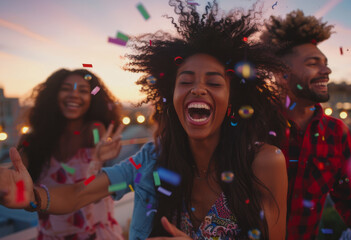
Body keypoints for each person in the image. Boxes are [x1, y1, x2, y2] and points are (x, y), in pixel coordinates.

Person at [0, 1, 288, 239]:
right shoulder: (149, 160)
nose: (198, 89)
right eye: (185, 81)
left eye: (214, 83)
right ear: (171, 97)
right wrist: (32, 196)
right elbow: (78, 194)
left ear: (233, 101)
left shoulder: (263, 163)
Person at [261, 9, 351, 240]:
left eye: (326, 63)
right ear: (282, 74)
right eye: (313, 63)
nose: (327, 70)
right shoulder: (251, 125)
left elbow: (347, 194)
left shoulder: (336, 132)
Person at [15, 69, 124, 239]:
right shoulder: (32, 141)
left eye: (83, 90)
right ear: (53, 94)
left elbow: (96, 188)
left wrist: (98, 159)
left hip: (93, 235)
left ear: (92, 98)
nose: (74, 95)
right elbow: (24, 196)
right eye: (66, 88)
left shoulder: (94, 130)